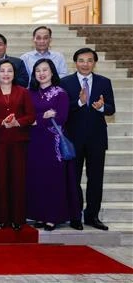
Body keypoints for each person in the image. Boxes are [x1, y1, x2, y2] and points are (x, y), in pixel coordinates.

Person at [60, 48, 116, 231]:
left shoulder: (104, 82)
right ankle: (75, 215)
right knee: (73, 178)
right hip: (73, 138)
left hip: (96, 138)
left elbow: (111, 108)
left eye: (89, 60)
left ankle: (92, 216)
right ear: (75, 62)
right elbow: (62, 110)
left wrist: (101, 107)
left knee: (95, 178)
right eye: (81, 60)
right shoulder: (65, 82)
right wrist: (79, 103)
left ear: (94, 63)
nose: (85, 64)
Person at [26, 58, 82, 231]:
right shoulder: (29, 93)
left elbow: (61, 118)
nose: (41, 74)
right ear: (34, 74)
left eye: (45, 70)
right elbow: (27, 118)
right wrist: (43, 116)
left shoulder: (60, 93)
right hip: (34, 142)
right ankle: (40, 215)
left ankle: (53, 217)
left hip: (53, 143)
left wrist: (38, 119)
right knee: (37, 179)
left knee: (53, 180)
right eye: (38, 71)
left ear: (52, 72)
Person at [0, 60, 35, 231]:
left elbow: (31, 116)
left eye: (9, 71)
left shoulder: (23, 92)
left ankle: (18, 218)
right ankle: (1, 218)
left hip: (19, 143)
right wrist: (1, 123)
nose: (6, 74)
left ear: (14, 74)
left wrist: (17, 123)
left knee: (18, 180)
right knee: (0, 180)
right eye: (2, 71)